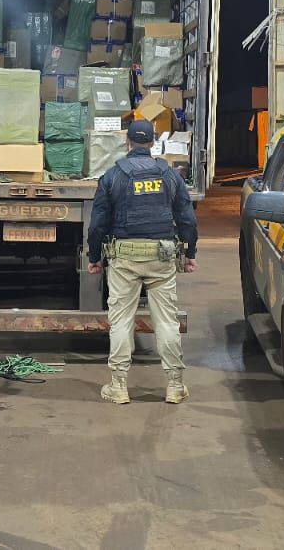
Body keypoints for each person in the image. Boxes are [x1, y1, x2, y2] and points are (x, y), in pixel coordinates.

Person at [87, 120, 198, 405]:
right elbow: (186, 218)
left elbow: (98, 223)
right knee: (167, 322)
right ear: (152, 143)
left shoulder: (113, 175)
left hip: (124, 258)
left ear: (128, 142)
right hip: (162, 257)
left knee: (121, 321)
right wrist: (191, 253)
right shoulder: (169, 174)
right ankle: (175, 385)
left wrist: (94, 257)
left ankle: (118, 386)